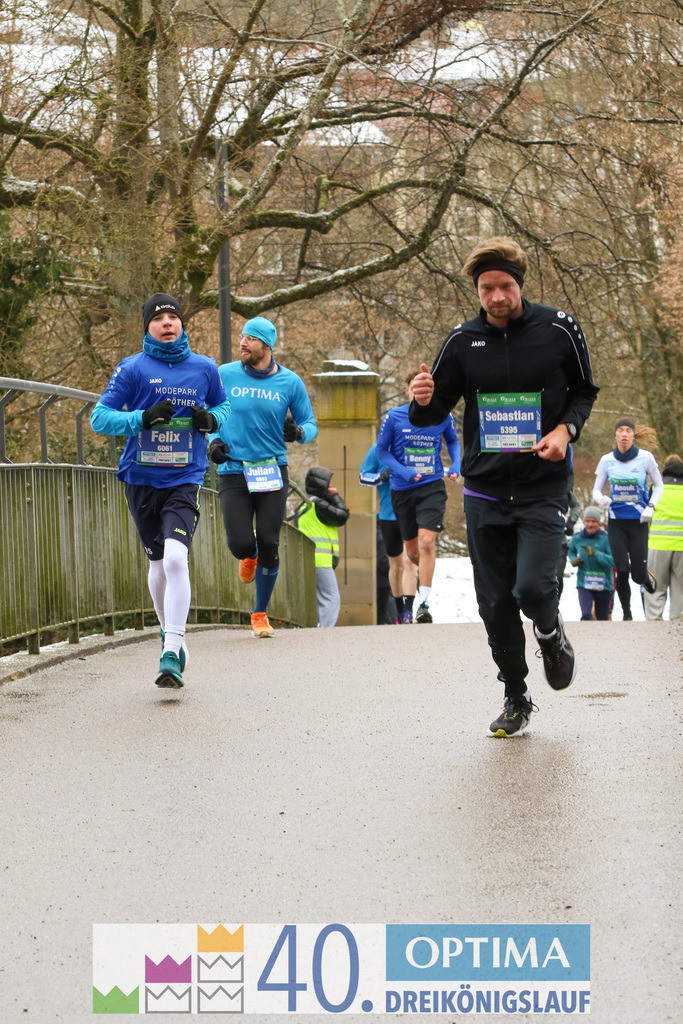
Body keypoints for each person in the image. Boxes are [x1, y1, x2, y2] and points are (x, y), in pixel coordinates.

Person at [409, 235, 599, 737]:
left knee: (533, 589)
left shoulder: (559, 329)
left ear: (520, 285)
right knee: (494, 604)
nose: (496, 297)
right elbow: (431, 414)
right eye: (487, 288)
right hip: (485, 492)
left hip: (543, 487)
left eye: (505, 287)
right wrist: (421, 400)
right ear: (477, 290)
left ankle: (551, 635)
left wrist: (565, 431)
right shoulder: (461, 341)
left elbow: (584, 391)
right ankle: (516, 695)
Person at [90, 293, 230, 688]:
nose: (167, 322)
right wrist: (141, 418)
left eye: (173, 316)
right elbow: (100, 418)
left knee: (175, 559)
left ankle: (171, 650)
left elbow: (224, 408)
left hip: (185, 478)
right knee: (156, 564)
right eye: (158, 318)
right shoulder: (132, 368)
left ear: (182, 323)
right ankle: (169, 633)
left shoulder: (204, 368)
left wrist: (210, 420)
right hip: (141, 479)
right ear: (148, 327)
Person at [208, 316, 317, 637]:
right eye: (241, 337)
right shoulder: (224, 374)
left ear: (267, 346)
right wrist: (213, 440)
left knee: (270, 541)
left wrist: (298, 432)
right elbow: (206, 413)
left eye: (250, 339)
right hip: (233, 469)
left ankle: (259, 614)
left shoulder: (290, 382)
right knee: (241, 544)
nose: (242, 343)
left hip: (271, 469)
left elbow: (310, 424)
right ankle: (249, 555)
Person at [376, 372, 461, 624]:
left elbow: (453, 441)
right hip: (402, 490)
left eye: (425, 388)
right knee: (413, 553)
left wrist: (456, 464)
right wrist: (402, 471)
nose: (420, 393)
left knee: (426, 544)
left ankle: (423, 605)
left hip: (431, 487)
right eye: (415, 388)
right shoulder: (394, 417)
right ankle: (424, 574)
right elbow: (381, 451)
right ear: (408, 391)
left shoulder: (443, 415)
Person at [592, 417, 663, 620]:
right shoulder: (607, 460)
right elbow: (596, 490)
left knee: (637, 576)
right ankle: (627, 614)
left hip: (639, 522)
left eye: (628, 430)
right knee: (622, 570)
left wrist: (651, 507)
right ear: (615, 435)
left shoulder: (645, 458)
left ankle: (644, 576)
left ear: (633, 435)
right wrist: (601, 499)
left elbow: (659, 485)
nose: (624, 434)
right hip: (617, 523)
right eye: (621, 430)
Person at [359, 442, 418, 623]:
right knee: (396, 566)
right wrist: (382, 476)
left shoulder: (414, 444)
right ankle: (400, 610)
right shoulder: (378, 449)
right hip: (388, 515)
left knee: (410, 561)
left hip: (412, 513)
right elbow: (363, 477)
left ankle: (408, 611)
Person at [294, 467, 350, 627]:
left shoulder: (307, 505)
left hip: (312, 558)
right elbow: (342, 516)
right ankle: (325, 631)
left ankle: (320, 628)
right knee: (331, 597)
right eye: (328, 484)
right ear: (321, 486)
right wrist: (335, 496)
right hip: (320, 560)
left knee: (320, 597)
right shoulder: (318, 504)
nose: (331, 487)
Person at [644, 453, 683, 620]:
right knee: (680, 591)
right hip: (681, 546)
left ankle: (654, 625)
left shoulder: (656, 488)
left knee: (655, 588)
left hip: (658, 545)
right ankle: (678, 625)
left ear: (665, 469)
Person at [567, 506, 614, 620]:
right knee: (586, 615)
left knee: (602, 618)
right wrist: (573, 559)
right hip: (584, 584)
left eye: (593, 521)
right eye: (587, 521)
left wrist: (595, 554)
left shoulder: (607, 538)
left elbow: (613, 560)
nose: (590, 524)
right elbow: (569, 550)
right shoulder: (577, 538)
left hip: (604, 585)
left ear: (598, 522)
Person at [556, 457, 581, 599]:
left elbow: (575, 505)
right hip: (536, 539)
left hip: (560, 541)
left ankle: (555, 604)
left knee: (557, 576)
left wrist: (571, 522)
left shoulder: (564, 489)